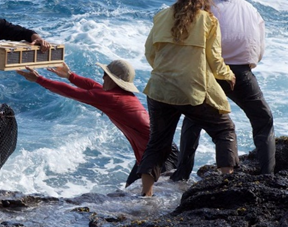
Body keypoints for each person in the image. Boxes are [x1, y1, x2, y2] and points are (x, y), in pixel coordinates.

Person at [137, 0, 238, 197]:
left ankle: (146, 195)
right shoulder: (208, 21)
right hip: (191, 90)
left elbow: (149, 53)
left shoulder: (162, 15)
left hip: (159, 88)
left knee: (157, 143)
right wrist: (228, 75)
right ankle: (227, 185)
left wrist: (166, 69)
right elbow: (214, 60)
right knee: (224, 129)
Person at [173, 0, 275, 179]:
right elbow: (258, 50)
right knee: (262, 120)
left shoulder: (200, 7)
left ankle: (181, 174)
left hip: (207, 71)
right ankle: (268, 174)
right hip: (241, 73)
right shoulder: (249, 8)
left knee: (194, 120)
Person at [17, 60, 178, 186]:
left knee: (156, 198)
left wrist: (39, 79)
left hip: (162, 154)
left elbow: (72, 92)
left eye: (105, 74)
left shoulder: (112, 99)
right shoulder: (119, 93)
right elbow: (92, 85)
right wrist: (70, 75)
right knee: (132, 192)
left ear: (113, 80)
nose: (102, 77)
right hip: (150, 153)